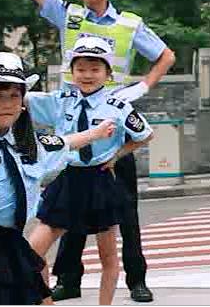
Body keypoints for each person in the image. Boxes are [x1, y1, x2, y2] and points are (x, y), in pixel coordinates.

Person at [0, 0, 174, 302]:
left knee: (123, 213)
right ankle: (67, 279)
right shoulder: (70, 16)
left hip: (112, 126)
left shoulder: (129, 24)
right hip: (69, 121)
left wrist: (142, 87)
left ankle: (137, 279)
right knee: (64, 214)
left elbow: (166, 56)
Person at [0, 52, 114, 305]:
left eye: (15, 96)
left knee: (39, 298)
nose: (8, 103)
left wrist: (96, 133)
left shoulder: (28, 146)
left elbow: (65, 142)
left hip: (12, 241)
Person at [25, 36, 154, 306]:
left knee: (108, 257)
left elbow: (144, 135)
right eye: (81, 69)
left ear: (108, 74)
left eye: (95, 69)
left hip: (100, 182)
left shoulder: (118, 106)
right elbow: (21, 102)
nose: (87, 75)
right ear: (72, 72)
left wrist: (116, 155)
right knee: (31, 253)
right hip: (66, 179)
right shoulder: (60, 101)